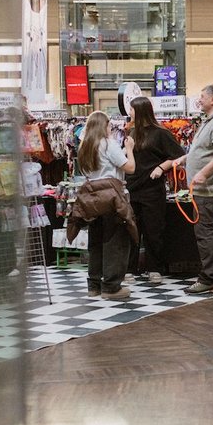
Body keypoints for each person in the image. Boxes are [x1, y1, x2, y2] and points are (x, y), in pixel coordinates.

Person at [172, 84, 213, 294]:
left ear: (212, 100)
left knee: (205, 234)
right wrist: (186, 159)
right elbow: (205, 150)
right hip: (209, 190)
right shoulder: (210, 122)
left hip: (210, 190)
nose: (198, 100)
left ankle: (208, 278)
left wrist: (203, 173)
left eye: (201, 97)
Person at [125, 96, 186, 283]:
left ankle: (154, 268)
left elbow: (179, 155)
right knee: (132, 229)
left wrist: (161, 168)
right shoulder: (132, 132)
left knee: (153, 229)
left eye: (132, 109)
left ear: (141, 110)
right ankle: (130, 269)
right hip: (133, 187)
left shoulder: (161, 133)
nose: (130, 113)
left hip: (152, 189)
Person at [78, 110, 136, 299]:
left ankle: (93, 285)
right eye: (109, 124)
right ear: (104, 126)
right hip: (112, 197)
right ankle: (111, 287)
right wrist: (129, 149)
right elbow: (130, 167)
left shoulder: (84, 146)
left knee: (95, 241)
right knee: (115, 241)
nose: (111, 127)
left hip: (93, 198)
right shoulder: (108, 144)